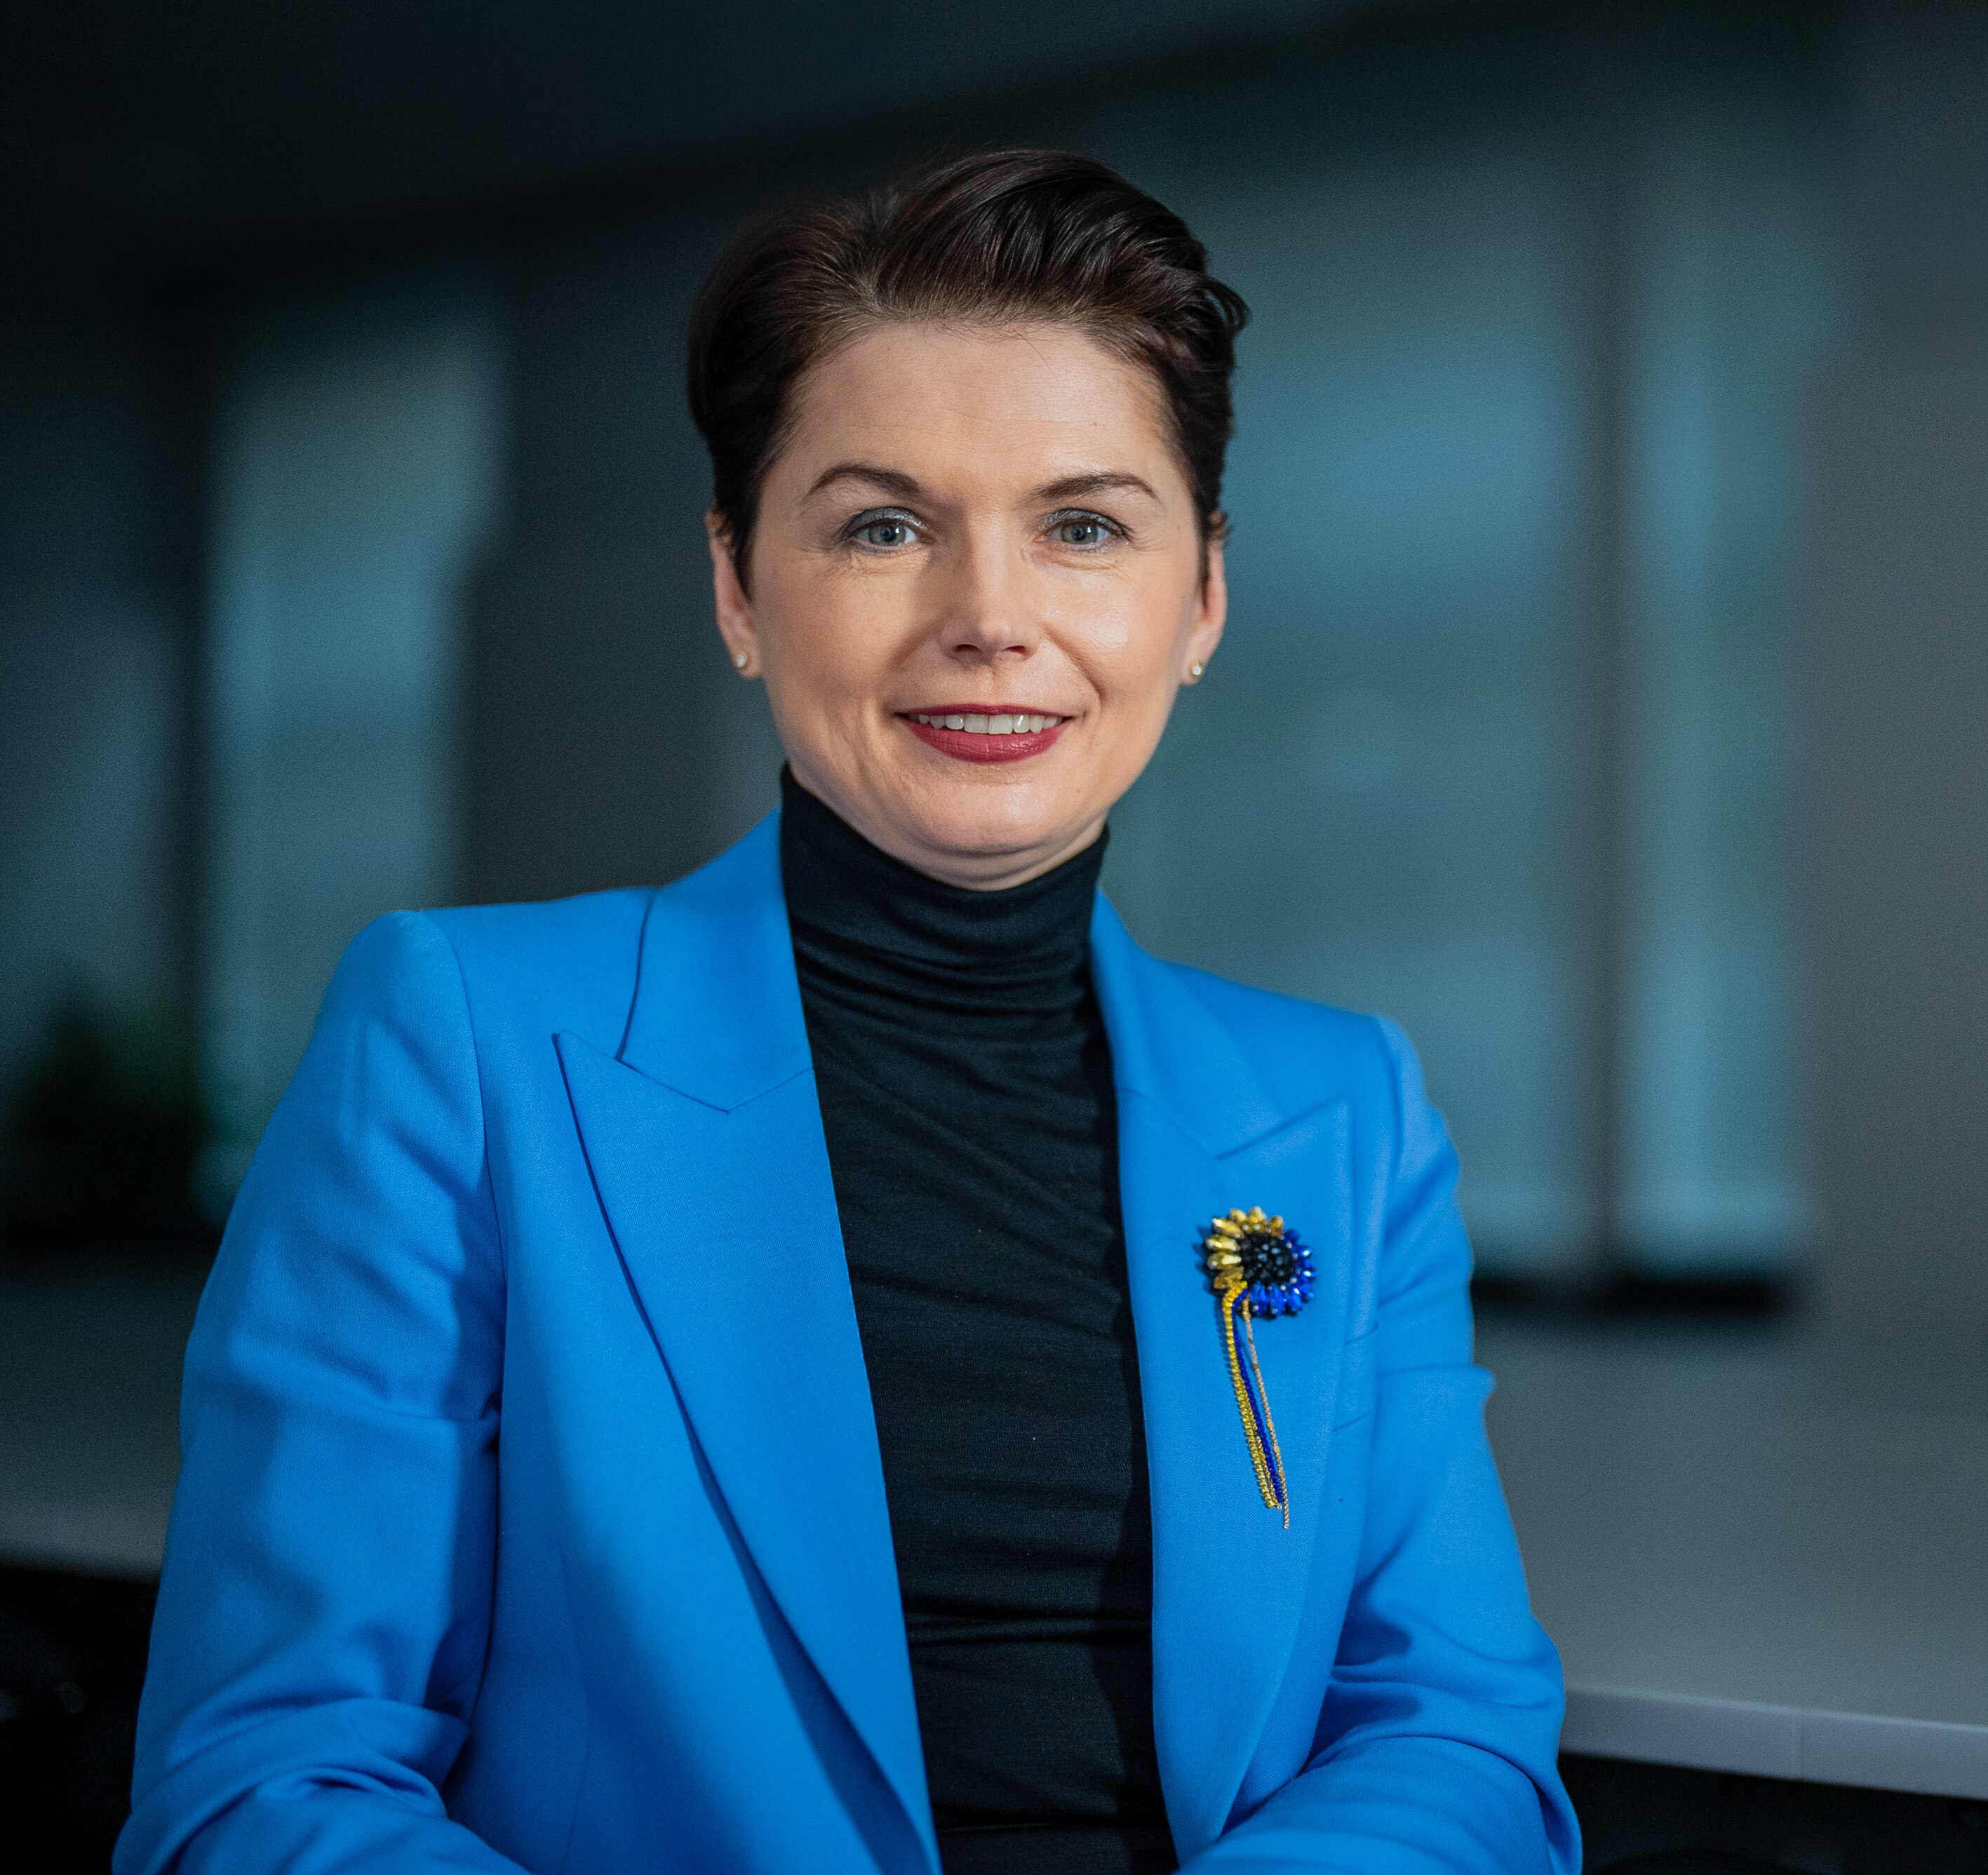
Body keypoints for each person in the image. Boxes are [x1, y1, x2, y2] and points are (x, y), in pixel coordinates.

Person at [119, 149, 1578, 1875]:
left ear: (1200, 600)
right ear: (740, 585)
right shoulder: (467, 1044)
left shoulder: (1343, 1109)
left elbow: (1451, 1730)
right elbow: (265, 1778)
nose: (989, 618)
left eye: (1085, 525)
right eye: (884, 525)